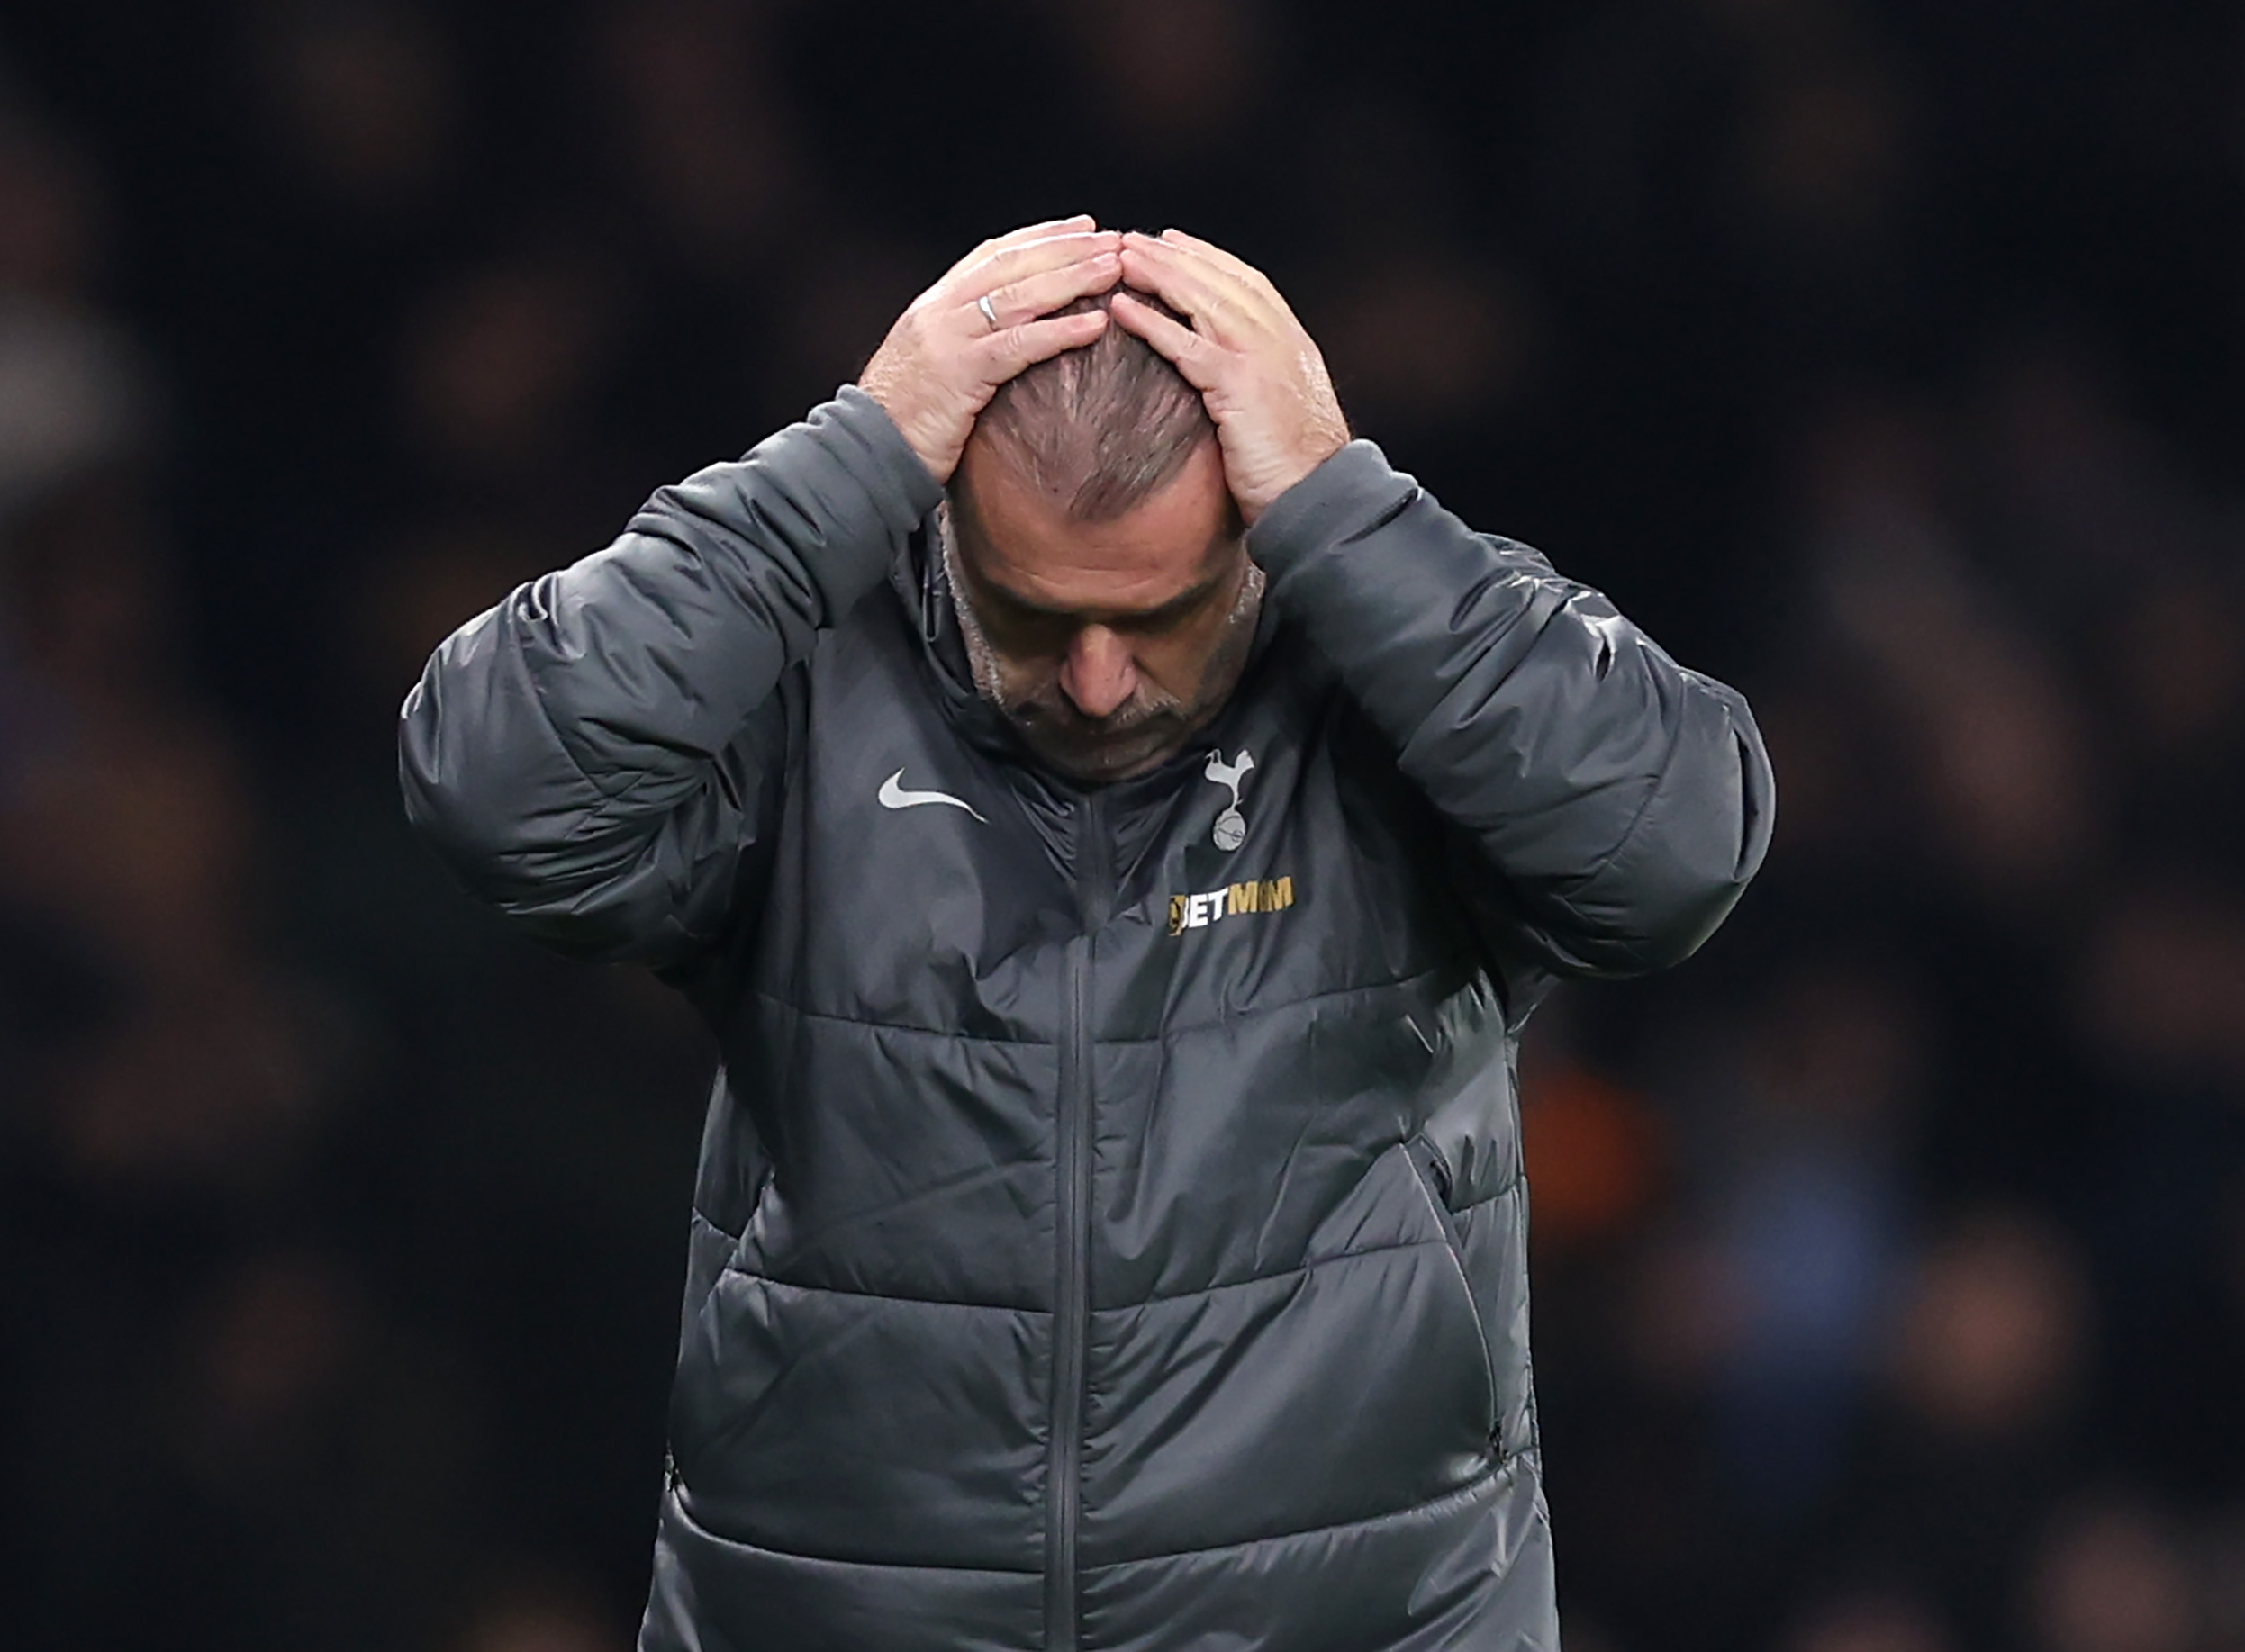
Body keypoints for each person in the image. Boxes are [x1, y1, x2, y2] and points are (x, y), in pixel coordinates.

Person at [400, 216, 1774, 1652]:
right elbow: (497, 792)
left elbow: (1676, 853)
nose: (1104, 681)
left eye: (1164, 615)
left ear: (1262, 528)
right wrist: (854, 453)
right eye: (1036, 612)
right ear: (939, 516)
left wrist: (1345, 505)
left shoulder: (1409, 658)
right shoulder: (809, 668)